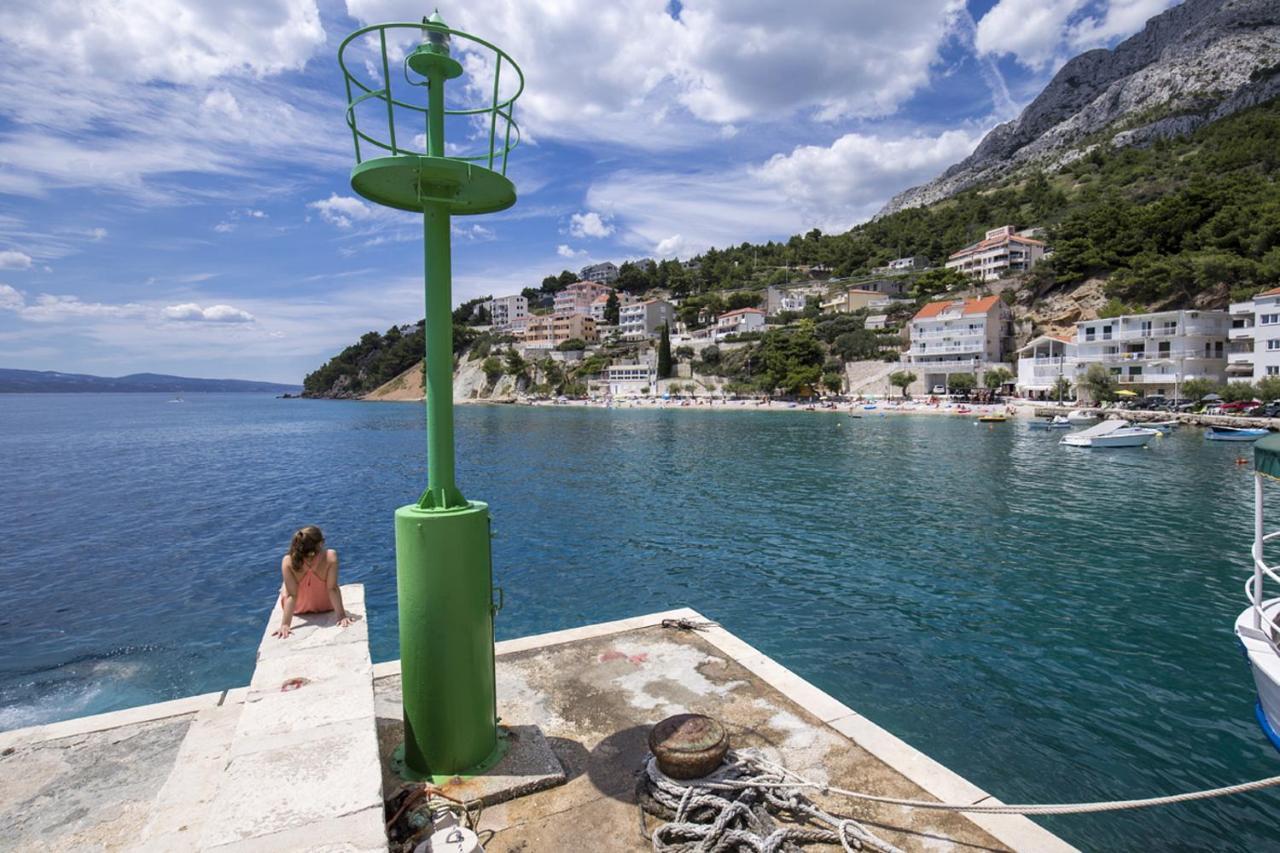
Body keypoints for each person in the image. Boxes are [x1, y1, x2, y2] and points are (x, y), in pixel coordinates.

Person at [273, 525, 352, 639]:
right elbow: (332, 589)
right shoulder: (331, 556)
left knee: (287, 588)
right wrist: (341, 616)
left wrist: (285, 624)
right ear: (321, 543)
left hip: (299, 608)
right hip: (326, 605)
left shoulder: (287, 561)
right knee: (330, 584)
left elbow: (291, 596)